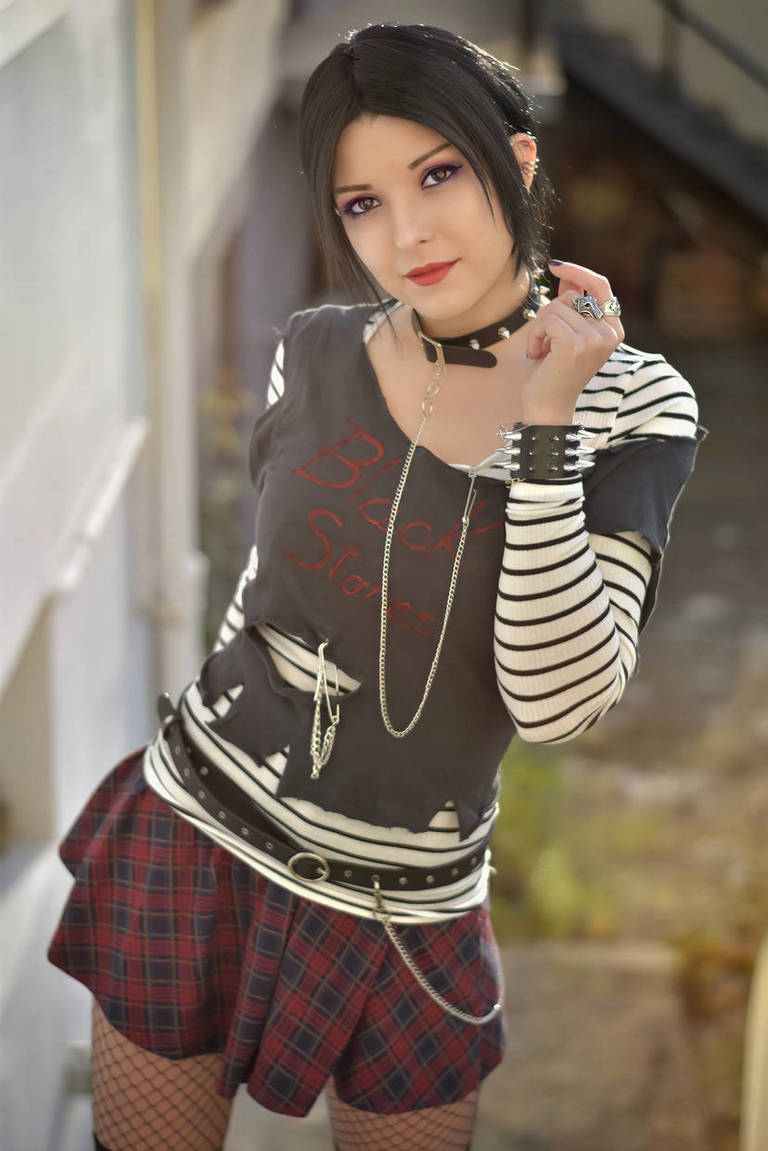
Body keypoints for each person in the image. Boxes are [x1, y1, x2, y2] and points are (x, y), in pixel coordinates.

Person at [47, 21, 706, 1151]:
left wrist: (546, 425)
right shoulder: (315, 349)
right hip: (200, 834)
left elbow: (559, 704)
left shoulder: (635, 404)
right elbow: (273, 598)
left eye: (437, 175)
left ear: (519, 159)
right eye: (361, 203)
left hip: (411, 909)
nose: (405, 233)